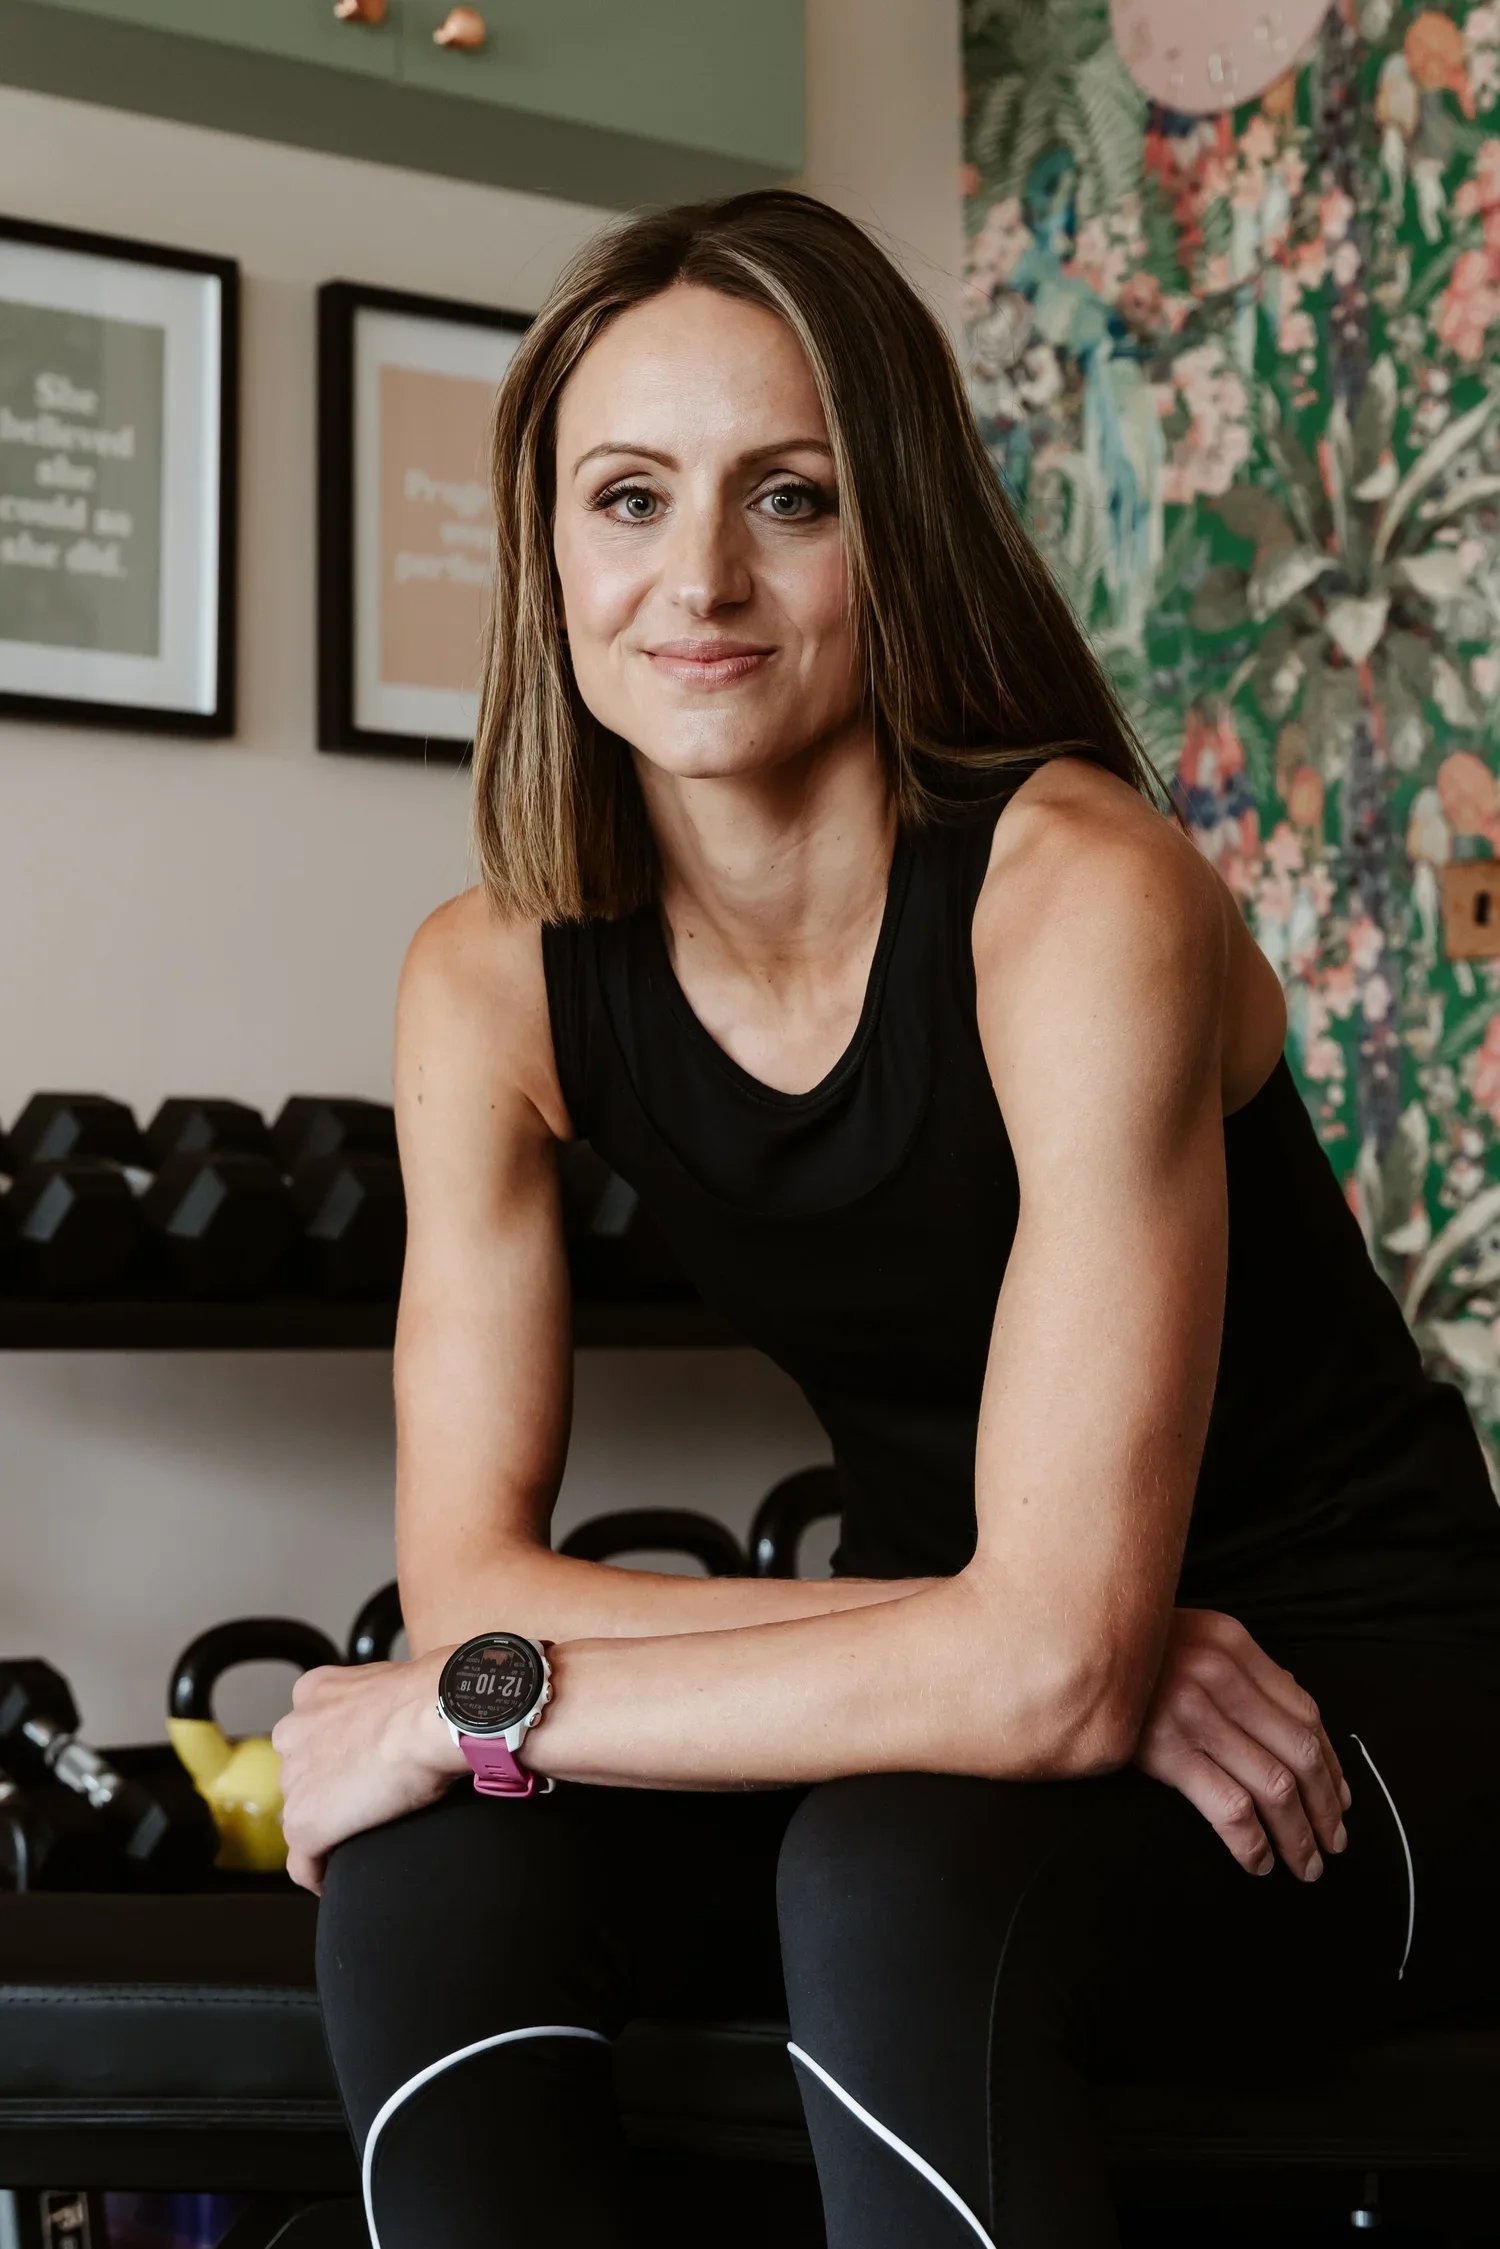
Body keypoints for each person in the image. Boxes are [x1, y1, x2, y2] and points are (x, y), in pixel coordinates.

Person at [272, 189, 1500, 2249]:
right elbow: (471, 1572)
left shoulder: (1080, 898)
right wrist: (1039, 1640)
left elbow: (514, 1651)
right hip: (968, 1678)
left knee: (887, 1875)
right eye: (631, 499)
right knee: (435, 1872)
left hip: (1348, 1712)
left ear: (896, 529)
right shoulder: (491, 979)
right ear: (546, 551)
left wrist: (474, 1691)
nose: (701, 580)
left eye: (794, 497)